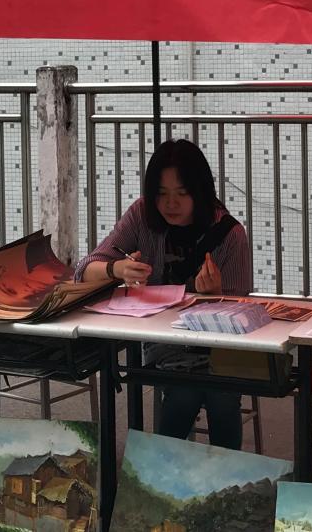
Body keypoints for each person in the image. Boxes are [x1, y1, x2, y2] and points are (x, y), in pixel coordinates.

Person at [73, 139, 252, 449]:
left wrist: (215, 295)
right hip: (165, 345)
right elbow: (83, 269)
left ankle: (210, 472)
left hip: (221, 349)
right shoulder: (142, 216)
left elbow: (243, 311)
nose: (170, 204)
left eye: (181, 194)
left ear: (200, 192)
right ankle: (164, 471)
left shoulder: (229, 234)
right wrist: (117, 269)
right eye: (162, 194)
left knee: (219, 395)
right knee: (185, 392)